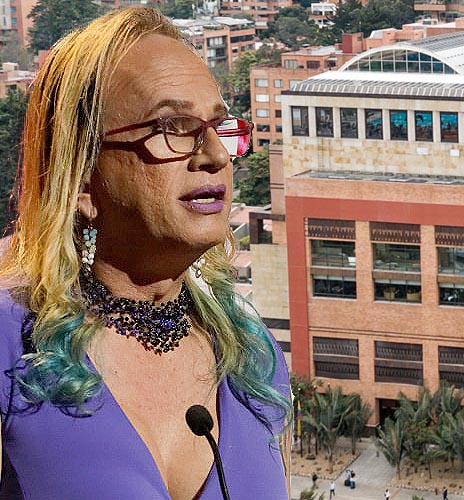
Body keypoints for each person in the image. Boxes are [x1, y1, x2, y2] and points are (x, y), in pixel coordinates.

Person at [0, 7, 290, 499]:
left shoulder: (252, 356)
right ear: (82, 178)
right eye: (173, 126)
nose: (215, 156)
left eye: (219, 126)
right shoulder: (12, 346)